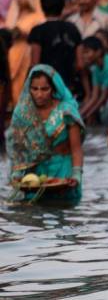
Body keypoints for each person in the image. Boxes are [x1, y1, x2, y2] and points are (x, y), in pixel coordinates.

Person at [6, 65, 85, 205]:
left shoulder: (67, 111)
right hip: (35, 173)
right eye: (34, 89)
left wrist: (77, 174)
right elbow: (19, 150)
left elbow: (76, 149)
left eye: (44, 89)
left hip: (62, 170)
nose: (39, 94)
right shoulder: (23, 114)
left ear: (53, 89)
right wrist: (17, 175)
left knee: (62, 212)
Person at [28, 0, 82, 95]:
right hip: (68, 86)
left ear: (43, 8)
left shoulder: (38, 31)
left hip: (46, 88)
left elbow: (35, 64)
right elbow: (80, 64)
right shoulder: (73, 28)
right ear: (62, 7)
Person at [5, 0, 45, 107]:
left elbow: (40, 37)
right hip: (12, 53)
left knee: (24, 82)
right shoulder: (14, 15)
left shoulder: (38, 16)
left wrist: (24, 34)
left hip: (27, 54)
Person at [80, 36, 108, 125]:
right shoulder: (95, 68)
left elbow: (103, 98)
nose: (84, 56)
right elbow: (94, 96)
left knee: (107, 117)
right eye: (83, 53)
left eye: (87, 52)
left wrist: (86, 114)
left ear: (98, 52)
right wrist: (79, 115)